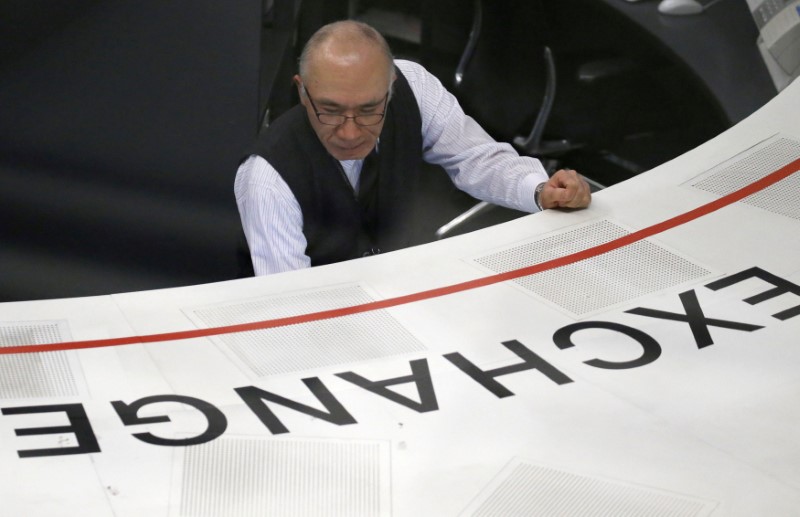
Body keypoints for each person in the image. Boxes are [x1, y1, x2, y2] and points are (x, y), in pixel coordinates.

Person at [235, 20, 591, 276]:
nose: (349, 131)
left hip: (400, 287)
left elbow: (475, 157)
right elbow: (289, 308)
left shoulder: (414, 87)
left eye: (369, 110)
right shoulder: (266, 179)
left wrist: (542, 190)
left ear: (391, 86)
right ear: (302, 91)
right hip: (330, 326)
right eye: (329, 110)